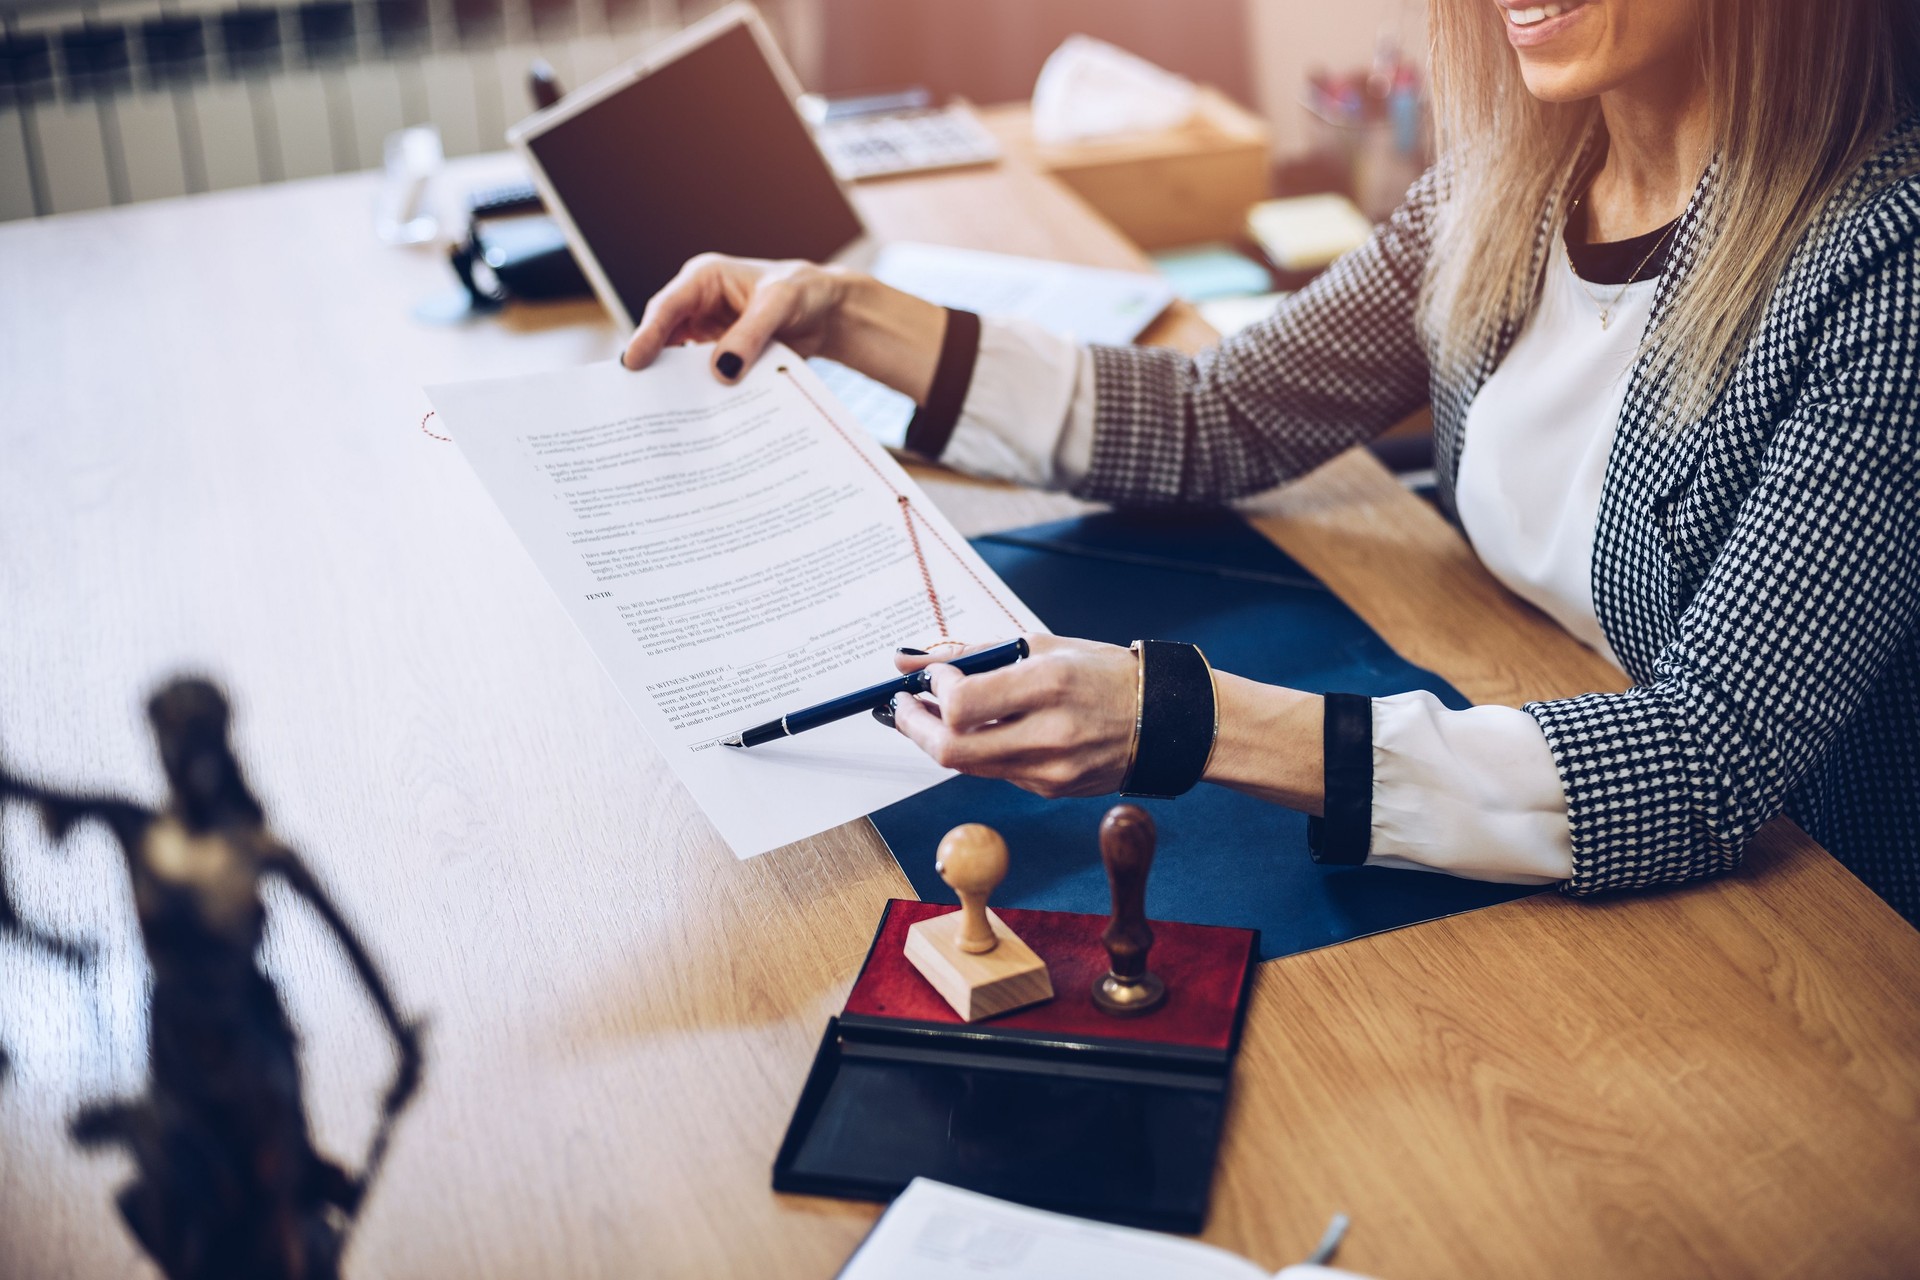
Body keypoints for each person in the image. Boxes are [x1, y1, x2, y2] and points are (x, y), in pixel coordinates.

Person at [621, 0, 1920, 923]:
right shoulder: (1511, 182)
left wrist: (1186, 720)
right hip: (1520, 734)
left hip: (1817, 916)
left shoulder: (1884, 266)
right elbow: (1221, 415)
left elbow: (1705, 763)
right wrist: (850, 314)